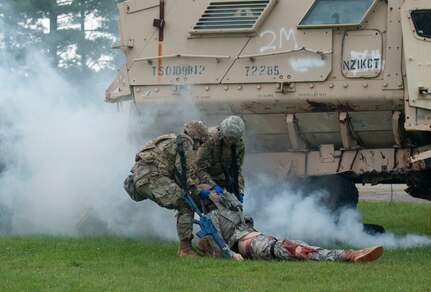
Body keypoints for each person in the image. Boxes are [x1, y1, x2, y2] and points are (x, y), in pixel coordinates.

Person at [195, 186, 384, 263]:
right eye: (210, 191)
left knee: (298, 246)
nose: (215, 192)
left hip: (261, 239)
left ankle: (349, 254)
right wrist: (231, 254)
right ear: (207, 198)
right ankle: (349, 255)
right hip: (252, 246)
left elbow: (236, 206)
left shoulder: (230, 208)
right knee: (296, 249)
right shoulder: (211, 218)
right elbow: (218, 242)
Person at [124, 120, 209, 257]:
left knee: (184, 198)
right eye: (201, 142)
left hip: (141, 177)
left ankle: (184, 249)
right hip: (152, 177)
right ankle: (186, 250)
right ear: (197, 138)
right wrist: (199, 191)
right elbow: (184, 174)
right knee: (185, 203)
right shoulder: (187, 144)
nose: (200, 146)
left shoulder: (174, 139)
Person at [195, 115, 246, 203]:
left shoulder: (239, 146)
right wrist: (212, 186)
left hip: (221, 177)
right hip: (202, 177)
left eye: (233, 139)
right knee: (209, 203)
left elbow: (236, 170)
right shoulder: (210, 140)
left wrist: (240, 191)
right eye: (228, 138)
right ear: (222, 133)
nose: (230, 142)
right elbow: (199, 169)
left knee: (232, 205)